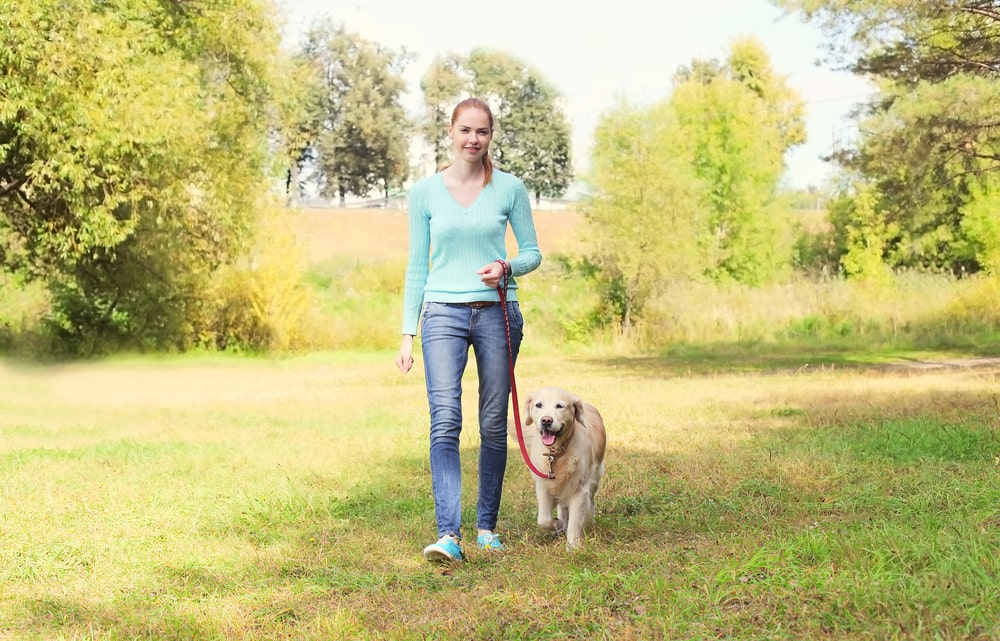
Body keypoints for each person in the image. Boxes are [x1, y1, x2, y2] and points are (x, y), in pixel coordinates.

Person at [395, 97, 542, 563]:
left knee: (493, 421)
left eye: (481, 132)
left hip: (497, 312)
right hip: (441, 313)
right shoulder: (424, 193)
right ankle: (448, 535)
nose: (473, 139)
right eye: (465, 130)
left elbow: (533, 253)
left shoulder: (510, 188)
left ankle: (486, 528)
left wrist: (506, 265)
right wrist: (406, 332)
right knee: (445, 421)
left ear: (490, 136)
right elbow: (417, 264)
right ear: (451, 132)